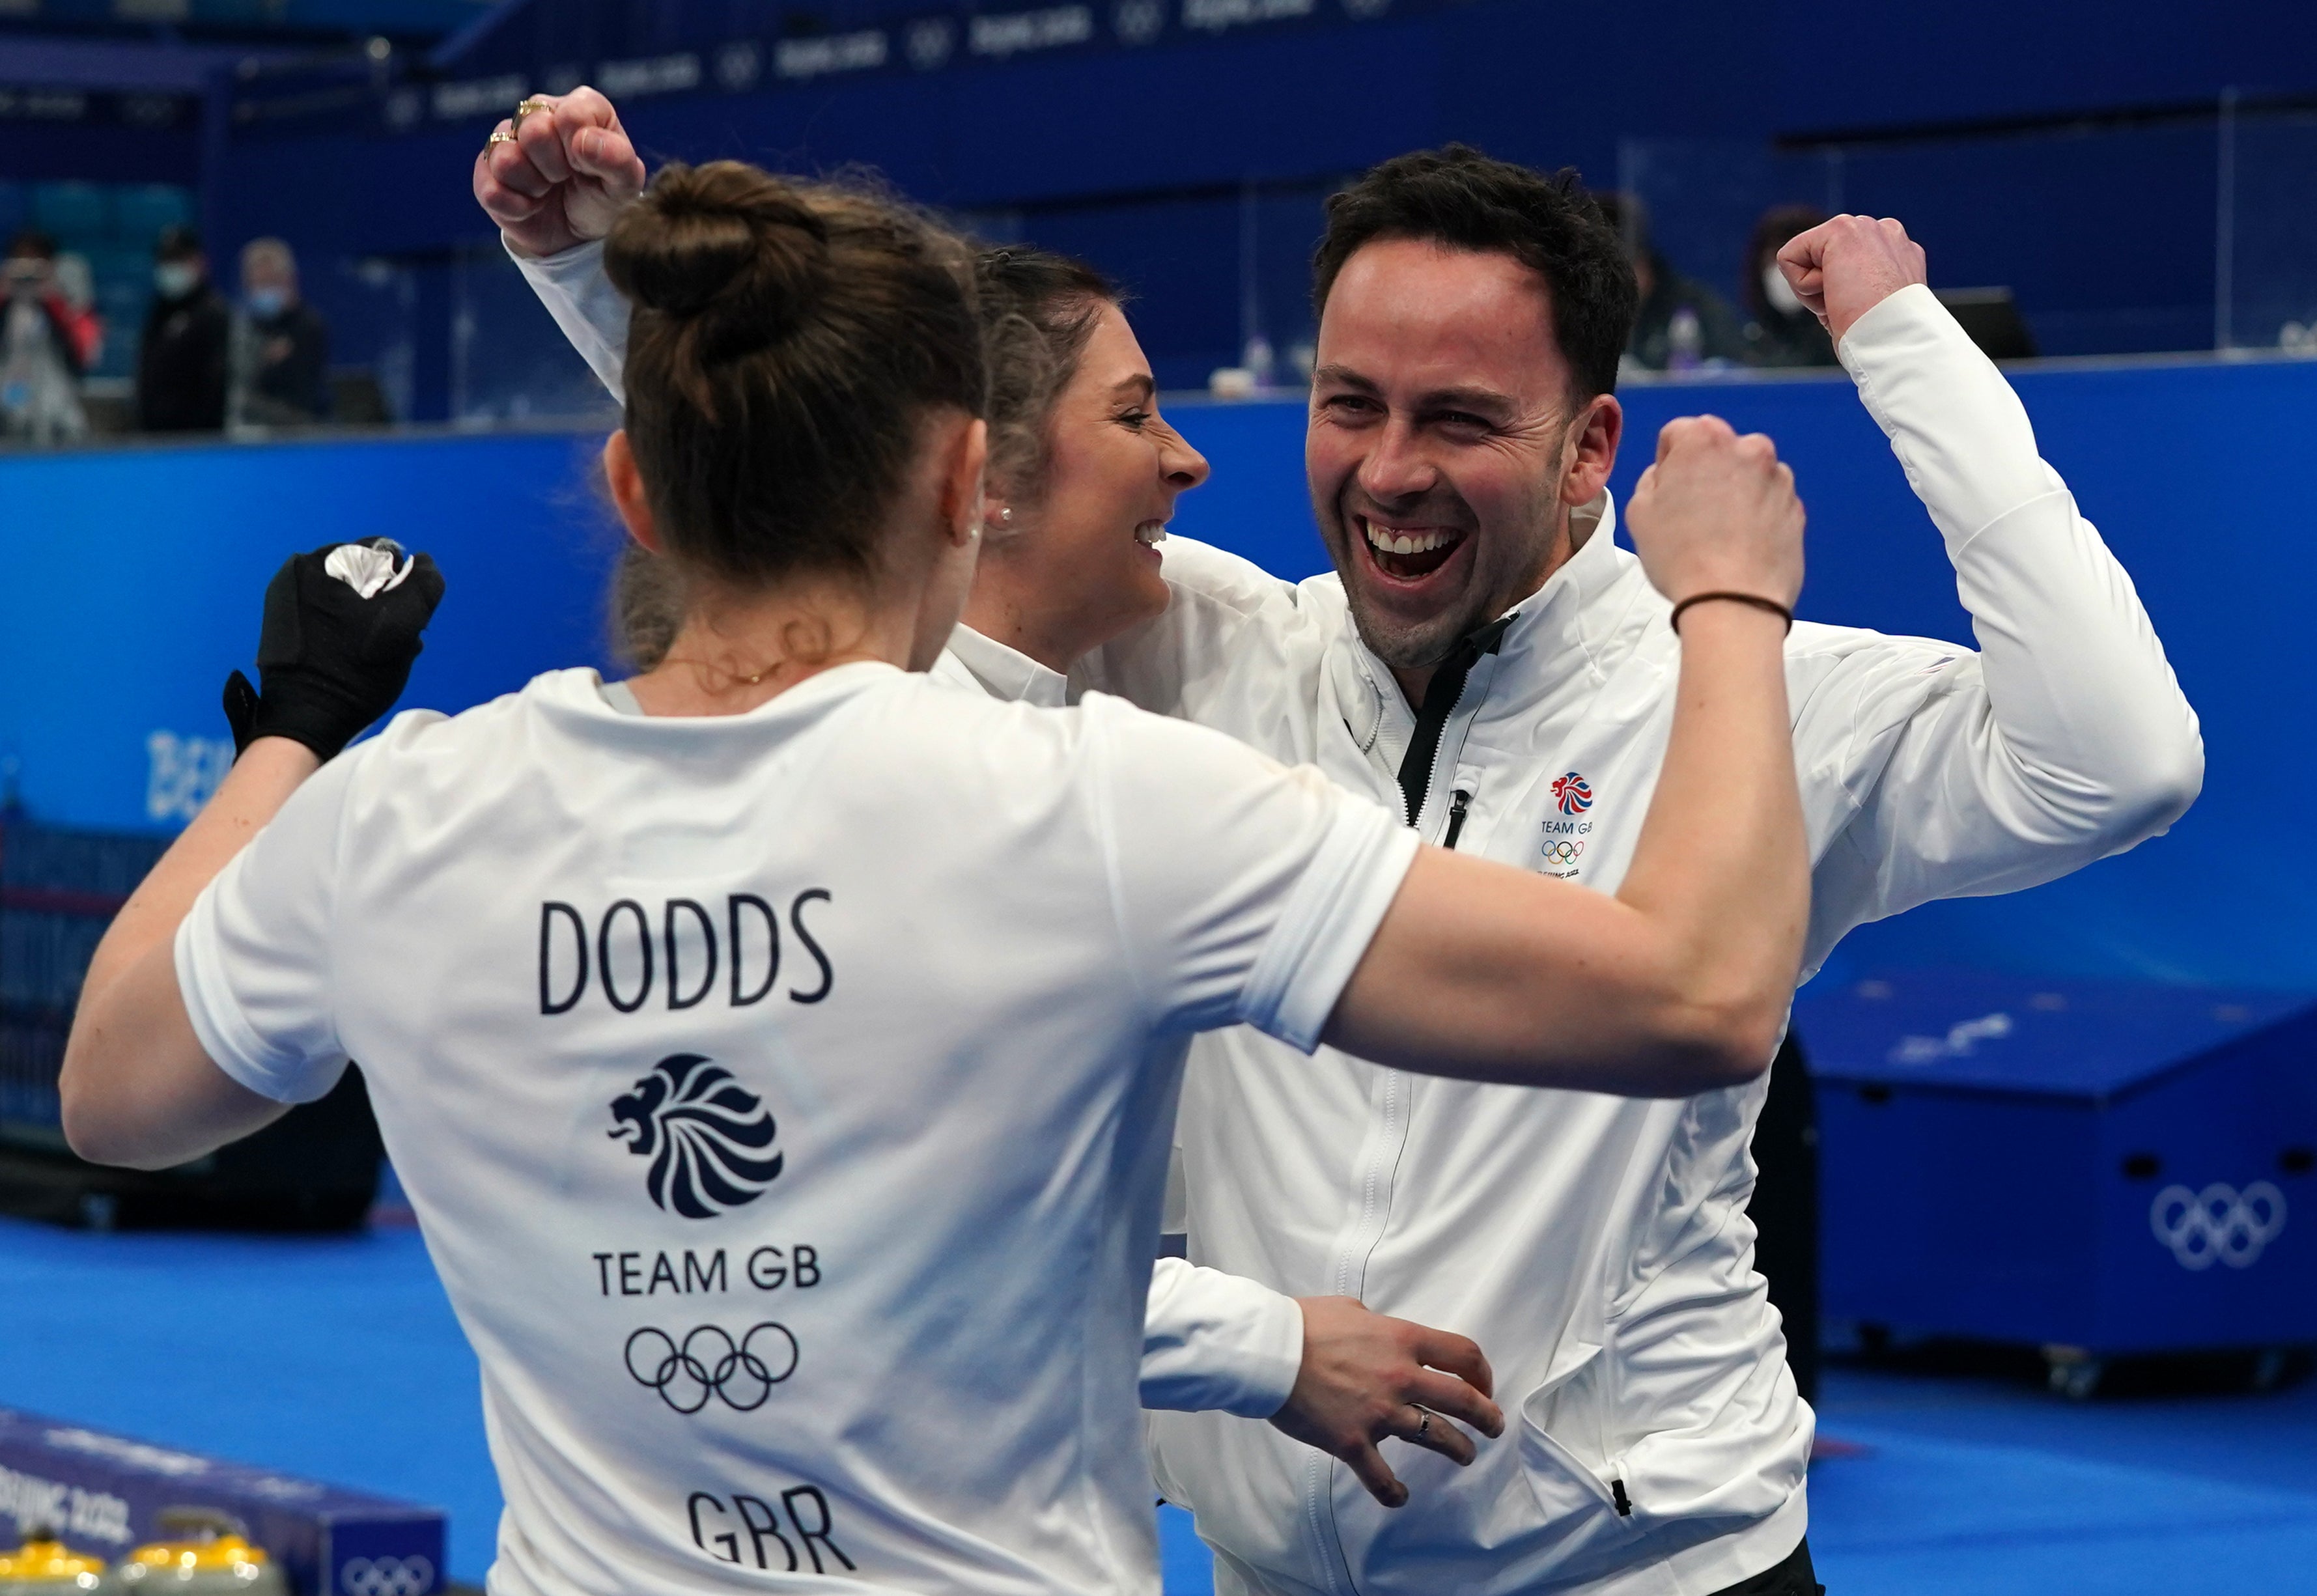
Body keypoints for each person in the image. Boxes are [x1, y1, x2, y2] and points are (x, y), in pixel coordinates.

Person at [497, 114, 2202, 1596]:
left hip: (1649, 1569)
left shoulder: (1751, 696)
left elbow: (2121, 759)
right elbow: (837, 518)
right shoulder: (1212, 652)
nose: (1385, 472)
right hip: (1254, 1563)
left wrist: (1898, 342)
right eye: (1346, 403)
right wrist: (614, 287)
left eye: (1456, 418)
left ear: (1587, 448)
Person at [63, 159, 1815, 1596]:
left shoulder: (412, 815)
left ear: (634, 488)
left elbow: (116, 1090)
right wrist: (1724, 604)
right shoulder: (1111, 812)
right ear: (968, 478)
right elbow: (1697, 993)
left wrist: (295, 734)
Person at [482, 91, 1515, 1490]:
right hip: (841, 1463)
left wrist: (607, 260)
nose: (1193, 455)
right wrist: (1268, 1346)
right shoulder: (857, 765)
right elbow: (895, 1230)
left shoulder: (1168, 623)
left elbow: (789, 450)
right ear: (991, 477)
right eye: (1138, 412)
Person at [1594, 190, 1746, 373]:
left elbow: (1736, 363)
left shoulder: (1695, 308)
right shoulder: (1578, 315)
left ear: (1641, 261)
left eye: (1615, 268)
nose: (1606, 283)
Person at [1, 231, 98, 445]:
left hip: (59, 415)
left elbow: (85, 355)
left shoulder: (69, 304)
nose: (27, 275)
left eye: (35, 264)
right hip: (8, 415)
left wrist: (53, 302)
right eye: (20, 264)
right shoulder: (7, 306)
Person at [230, 237, 332, 427]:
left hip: (300, 435)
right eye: (257, 284)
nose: (263, 291)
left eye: (270, 282)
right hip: (252, 435)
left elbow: (304, 401)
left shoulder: (309, 327)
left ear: (289, 280)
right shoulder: (248, 329)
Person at [137, 225, 229, 433]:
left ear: (200, 262)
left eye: (179, 260)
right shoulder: (159, 311)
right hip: (156, 438)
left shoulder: (213, 313)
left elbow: (216, 384)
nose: (171, 267)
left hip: (197, 440)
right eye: (166, 260)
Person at [1741, 204, 1838, 369]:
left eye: (1800, 259)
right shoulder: (1752, 341)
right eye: (1774, 257)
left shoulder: (1842, 343)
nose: (1784, 272)